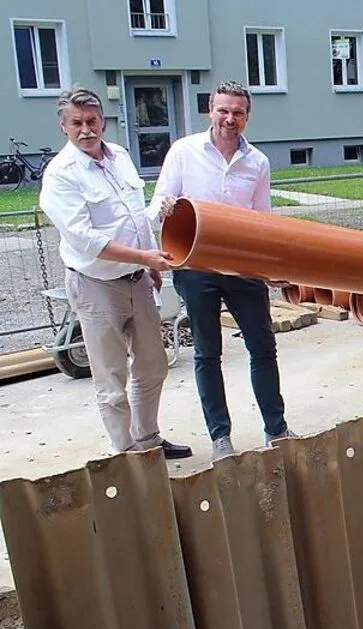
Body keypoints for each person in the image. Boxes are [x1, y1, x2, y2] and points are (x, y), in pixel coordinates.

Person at [38, 86, 192, 459]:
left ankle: (147, 440)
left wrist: (148, 260)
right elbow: (87, 240)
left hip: (137, 280)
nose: (86, 130)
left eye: (92, 121)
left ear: (103, 122)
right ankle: (125, 455)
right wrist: (145, 256)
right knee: (111, 378)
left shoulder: (120, 156)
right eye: (77, 123)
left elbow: (135, 216)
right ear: (63, 127)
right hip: (95, 286)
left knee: (153, 365)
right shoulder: (61, 175)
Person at [149, 80, 294, 460]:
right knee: (207, 352)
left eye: (238, 113)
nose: (230, 119)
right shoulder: (184, 152)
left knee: (263, 348)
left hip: (243, 267)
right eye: (223, 111)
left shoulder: (257, 162)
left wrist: (270, 267)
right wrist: (164, 208)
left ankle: (276, 428)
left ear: (247, 116)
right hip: (197, 267)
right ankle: (220, 438)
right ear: (210, 110)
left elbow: (262, 219)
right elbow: (158, 204)